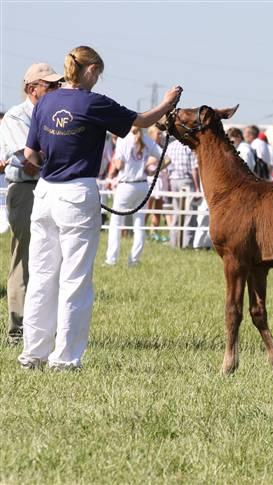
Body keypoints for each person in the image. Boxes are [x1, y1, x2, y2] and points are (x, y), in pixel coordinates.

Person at [17, 45, 181, 370]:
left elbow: (30, 156)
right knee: (74, 280)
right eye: (98, 74)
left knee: (42, 276)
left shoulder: (46, 101)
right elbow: (141, 120)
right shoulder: (94, 102)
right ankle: (64, 359)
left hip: (46, 192)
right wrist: (167, 103)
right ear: (90, 70)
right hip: (77, 192)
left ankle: (33, 353)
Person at [0, 63, 62, 345]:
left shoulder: (51, 115)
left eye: (56, 85)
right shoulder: (16, 115)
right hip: (26, 190)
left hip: (49, 187)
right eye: (49, 85)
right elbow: (29, 160)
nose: (55, 89)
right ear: (31, 88)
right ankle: (19, 328)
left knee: (52, 259)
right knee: (24, 258)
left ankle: (46, 326)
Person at [104, 126, 162, 267]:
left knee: (116, 223)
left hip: (126, 185)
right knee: (139, 224)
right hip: (142, 185)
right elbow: (165, 158)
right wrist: (151, 172)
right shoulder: (147, 139)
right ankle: (134, 260)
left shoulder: (122, 140)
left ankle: (111, 260)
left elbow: (118, 165)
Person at [166, 136, 200, 249]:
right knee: (189, 214)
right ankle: (187, 243)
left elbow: (167, 166)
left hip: (173, 180)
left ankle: (174, 242)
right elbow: (194, 168)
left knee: (176, 212)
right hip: (186, 181)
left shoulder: (170, 146)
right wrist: (197, 188)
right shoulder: (188, 147)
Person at [145, 124, 172, 242]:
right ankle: (141, 229)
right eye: (158, 134)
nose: (160, 136)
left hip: (160, 179)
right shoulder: (147, 147)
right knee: (148, 207)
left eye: (161, 134)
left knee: (158, 208)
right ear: (151, 135)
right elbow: (145, 162)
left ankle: (153, 232)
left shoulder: (160, 147)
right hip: (150, 180)